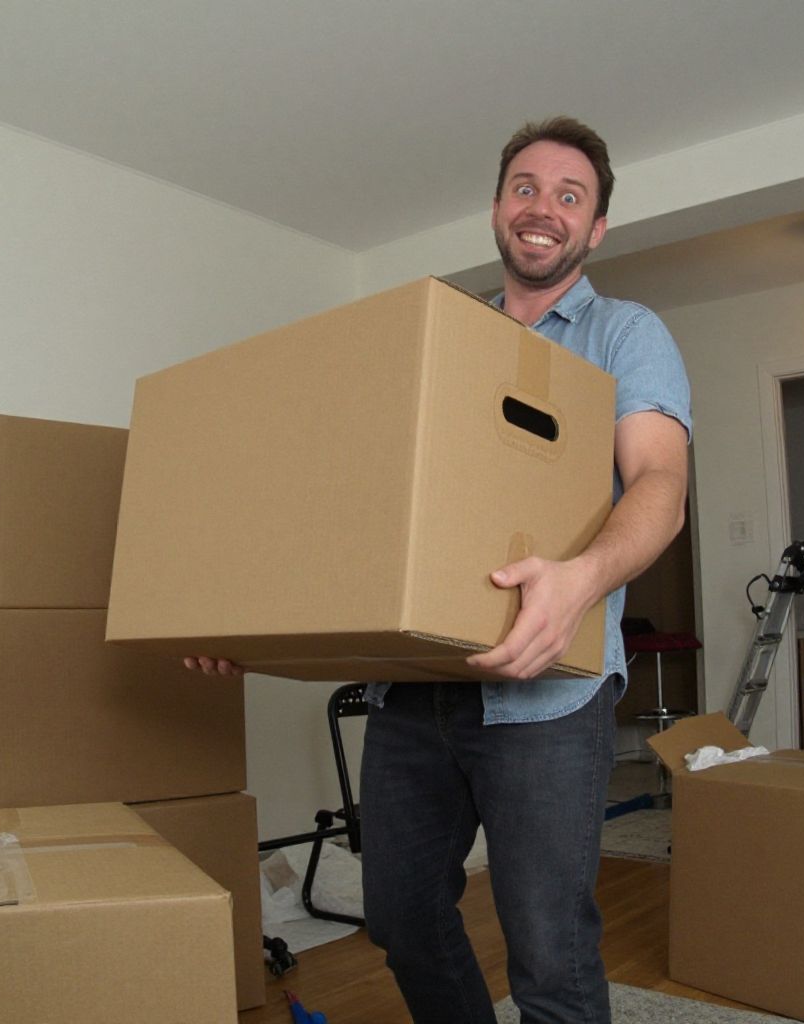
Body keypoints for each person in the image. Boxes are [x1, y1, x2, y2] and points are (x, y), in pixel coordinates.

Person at [186, 116, 691, 1024]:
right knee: (401, 919)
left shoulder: (625, 332)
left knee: (550, 954)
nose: (543, 209)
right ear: (497, 209)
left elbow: (660, 484)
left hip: (546, 694)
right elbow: (363, 509)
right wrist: (247, 620)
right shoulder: (441, 337)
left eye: (569, 196)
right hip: (413, 688)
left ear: (597, 226)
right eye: (525, 189)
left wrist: (581, 579)